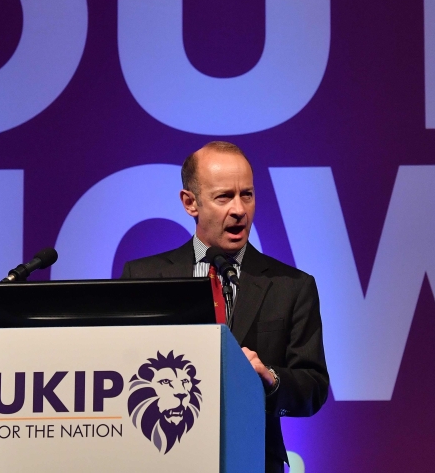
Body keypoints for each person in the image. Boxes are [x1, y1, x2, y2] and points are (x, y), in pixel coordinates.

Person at [120, 141, 329, 472]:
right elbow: (123, 371)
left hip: (254, 460)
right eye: (224, 197)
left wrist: (270, 378)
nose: (239, 209)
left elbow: (313, 388)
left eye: (247, 194)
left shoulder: (292, 286)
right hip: (163, 459)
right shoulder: (143, 277)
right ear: (191, 203)